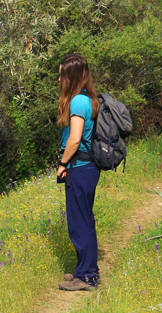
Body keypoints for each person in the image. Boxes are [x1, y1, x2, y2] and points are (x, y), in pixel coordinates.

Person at [56, 54, 101, 290]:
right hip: (85, 167)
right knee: (83, 220)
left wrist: (62, 164)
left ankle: (87, 276)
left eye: (62, 73)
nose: (59, 78)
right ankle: (84, 269)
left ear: (71, 76)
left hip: (79, 167)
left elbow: (74, 139)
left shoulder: (77, 103)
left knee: (79, 222)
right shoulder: (86, 100)